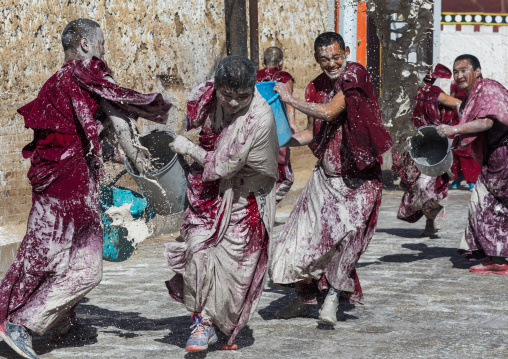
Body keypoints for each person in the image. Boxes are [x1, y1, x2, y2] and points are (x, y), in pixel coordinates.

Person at [0, 19, 171, 359]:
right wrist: (145, 165)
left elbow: (85, 133)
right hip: (68, 190)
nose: (104, 50)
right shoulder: (87, 72)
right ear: (84, 45)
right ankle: (22, 323)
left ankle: (60, 323)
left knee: (48, 257)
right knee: (84, 267)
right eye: (101, 42)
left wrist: (109, 150)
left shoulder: (57, 82)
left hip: (60, 186)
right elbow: (121, 125)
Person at [269, 32, 393, 325]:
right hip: (325, 178)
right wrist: (277, 141)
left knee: (347, 242)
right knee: (297, 242)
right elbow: (314, 132)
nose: (332, 63)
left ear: (346, 52)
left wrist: (289, 98)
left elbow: (328, 112)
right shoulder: (316, 86)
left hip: (359, 180)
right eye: (324, 59)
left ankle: (333, 298)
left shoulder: (355, 75)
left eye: (336, 56)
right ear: (316, 59)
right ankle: (302, 297)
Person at [164, 55, 279, 352]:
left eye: (242, 96)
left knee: (234, 273)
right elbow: (189, 120)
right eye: (226, 95)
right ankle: (201, 323)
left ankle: (219, 324)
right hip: (208, 193)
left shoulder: (260, 116)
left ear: (252, 90)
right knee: (198, 250)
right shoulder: (208, 96)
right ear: (217, 86)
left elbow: (225, 165)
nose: (232, 103)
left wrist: (189, 148)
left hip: (247, 200)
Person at [437, 54, 508, 275]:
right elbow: (460, 107)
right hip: (495, 156)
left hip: (503, 154)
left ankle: (496, 259)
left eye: (464, 70)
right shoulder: (473, 95)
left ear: (477, 71)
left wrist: (454, 130)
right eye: (455, 71)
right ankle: (494, 256)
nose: (459, 75)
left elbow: (487, 121)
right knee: (489, 202)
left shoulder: (487, 88)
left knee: (486, 203)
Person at [392, 64, 462, 237]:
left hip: (432, 146)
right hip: (412, 150)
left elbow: (459, 104)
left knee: (425, 185)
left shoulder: (434, 94)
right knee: (416, 188)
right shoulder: (402, 97)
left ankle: (436, 209)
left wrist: (459, 129)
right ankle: (430, 223)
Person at [256, 47, 296, 203]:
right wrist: (292, 124)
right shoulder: (284, 77)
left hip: (258, 128)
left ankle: (261, 203)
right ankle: (266, 205)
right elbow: (288, 101)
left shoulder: (255, 77)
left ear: (263, 61)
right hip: (278, 128)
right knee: (286, 177)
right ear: (281, 62)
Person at [449, 80, 481, 190]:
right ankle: (458, 176)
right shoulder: (454, 83)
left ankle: (472, 178)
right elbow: (452, 98)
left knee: (468, 150)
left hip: (470, 116)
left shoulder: (476, 83)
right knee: (456, 149)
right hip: (457, 117)